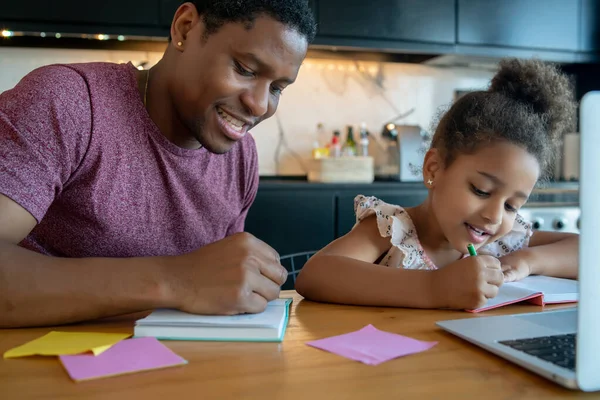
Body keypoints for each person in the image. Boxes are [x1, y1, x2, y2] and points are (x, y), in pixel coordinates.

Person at [0, 0, 316, 328]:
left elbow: (214, 293)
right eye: (245, 69)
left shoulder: (241, 158)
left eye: (277, 88)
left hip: (170, 371)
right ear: (185, 28)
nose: (260, 104)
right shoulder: (68, 103)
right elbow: (190, 283)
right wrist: (174, 279)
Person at [295, 58, 579, 311]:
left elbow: (589, 251)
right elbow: (315, 275)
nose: (494, 216)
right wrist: (435, 288)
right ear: (434, 168)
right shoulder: (393, 231)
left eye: (511, 205)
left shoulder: (503, 245)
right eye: (480, 190)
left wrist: (529, 261)